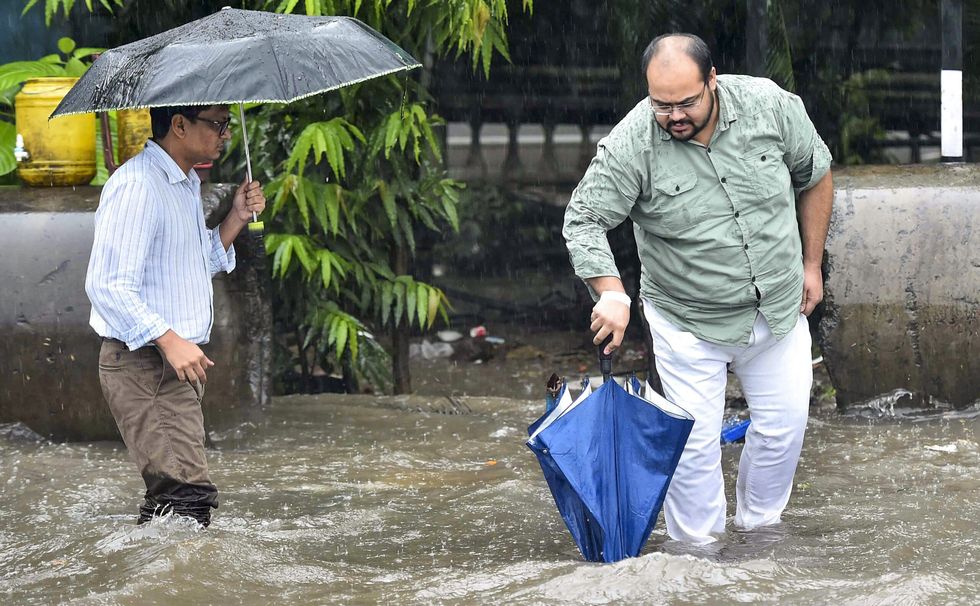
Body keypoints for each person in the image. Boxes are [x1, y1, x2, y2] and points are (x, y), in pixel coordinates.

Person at [563, 33, 833, 544]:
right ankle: (698, 556)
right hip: (687, 320)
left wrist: (812, 263)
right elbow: (583, 219)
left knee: (783, 431)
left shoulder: (769, 106)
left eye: (686, 102)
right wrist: (612, 293)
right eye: (661, 104)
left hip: (778, 305)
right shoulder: (633, 143)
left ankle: (760, 535)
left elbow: (815, 174)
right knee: (693, 449)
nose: (674, 116)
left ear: (712, 80)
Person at [85, 105, 266, 527]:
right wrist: (169, 340)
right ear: (180, 125)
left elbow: (193, 262)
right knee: (186, 500)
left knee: (173, 503)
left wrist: (237, 216)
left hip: (173, 366)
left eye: (226, 124)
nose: (225, 134)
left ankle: (139, 565)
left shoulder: (183, 183)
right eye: (217, 124)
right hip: (145, 365)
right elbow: (107, 285)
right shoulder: (138, 185)